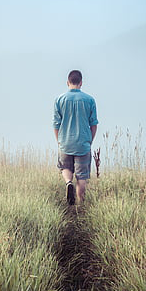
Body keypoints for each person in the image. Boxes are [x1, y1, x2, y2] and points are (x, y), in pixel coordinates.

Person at [53, 69, 98, 205]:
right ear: (81, 83)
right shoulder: (90, 100)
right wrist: (90, 140)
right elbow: (94, 124)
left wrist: (59, 141)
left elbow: (56, 124)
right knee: (82, 176)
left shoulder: (59, 100)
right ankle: (80, 206)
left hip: (65, 142)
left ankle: (68, 183)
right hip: (83, 143)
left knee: (65, 167)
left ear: (68, 82)